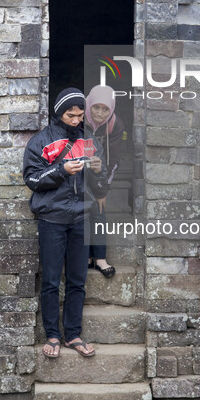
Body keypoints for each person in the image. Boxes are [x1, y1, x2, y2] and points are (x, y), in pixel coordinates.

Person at [23, 87, 108, 359]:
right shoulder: (42, 141)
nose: (76, 121)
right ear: (59, 113)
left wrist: (97, 171)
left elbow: (100, 184)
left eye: (80, 115)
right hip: (52, 218)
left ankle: (72, 334)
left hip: (82, 217)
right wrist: (61, 170)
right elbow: (32, 180)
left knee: (77, 281)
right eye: (71, 115)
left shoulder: (90, 139)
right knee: (49, 280)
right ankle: (52, 334)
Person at [84, 84, 125, 279]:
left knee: (99, 209)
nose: (100, 114)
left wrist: (103, 189)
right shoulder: (78, 118)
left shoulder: (115, 124)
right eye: (96, 107)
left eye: (105, 109)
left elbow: (114, 159)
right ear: (88, 105)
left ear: (111, 109)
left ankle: (99, 258)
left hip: (100, 170)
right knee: (82, 213)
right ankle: (85, 256)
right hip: (78, 171)